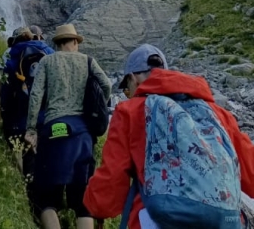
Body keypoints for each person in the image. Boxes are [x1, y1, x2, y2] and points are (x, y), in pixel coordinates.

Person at [84, 43, 254, 229]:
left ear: (133, 79)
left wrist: (94, 206)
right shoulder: (218, 113)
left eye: (126, 89)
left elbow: (111, 185)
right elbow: (250, 173)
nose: (128, 94)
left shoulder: (130, 111)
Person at [25, 23, 111, 229]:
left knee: (46, 198)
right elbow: (106, 85)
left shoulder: (46, 61)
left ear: (58, 43)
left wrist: (31, 129)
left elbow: (35, 95)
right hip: (82, 133)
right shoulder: (88, 61)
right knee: (83, 200)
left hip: (53, 129)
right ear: (74, 42)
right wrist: (97, 110)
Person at [0, 26, 54, 207]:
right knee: (41, 154)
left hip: (17, 115)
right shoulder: (48, 51)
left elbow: (0, 84)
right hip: (44, 115)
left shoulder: (9, 53)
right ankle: (48, 198)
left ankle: (29, 193)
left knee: (20, 150)